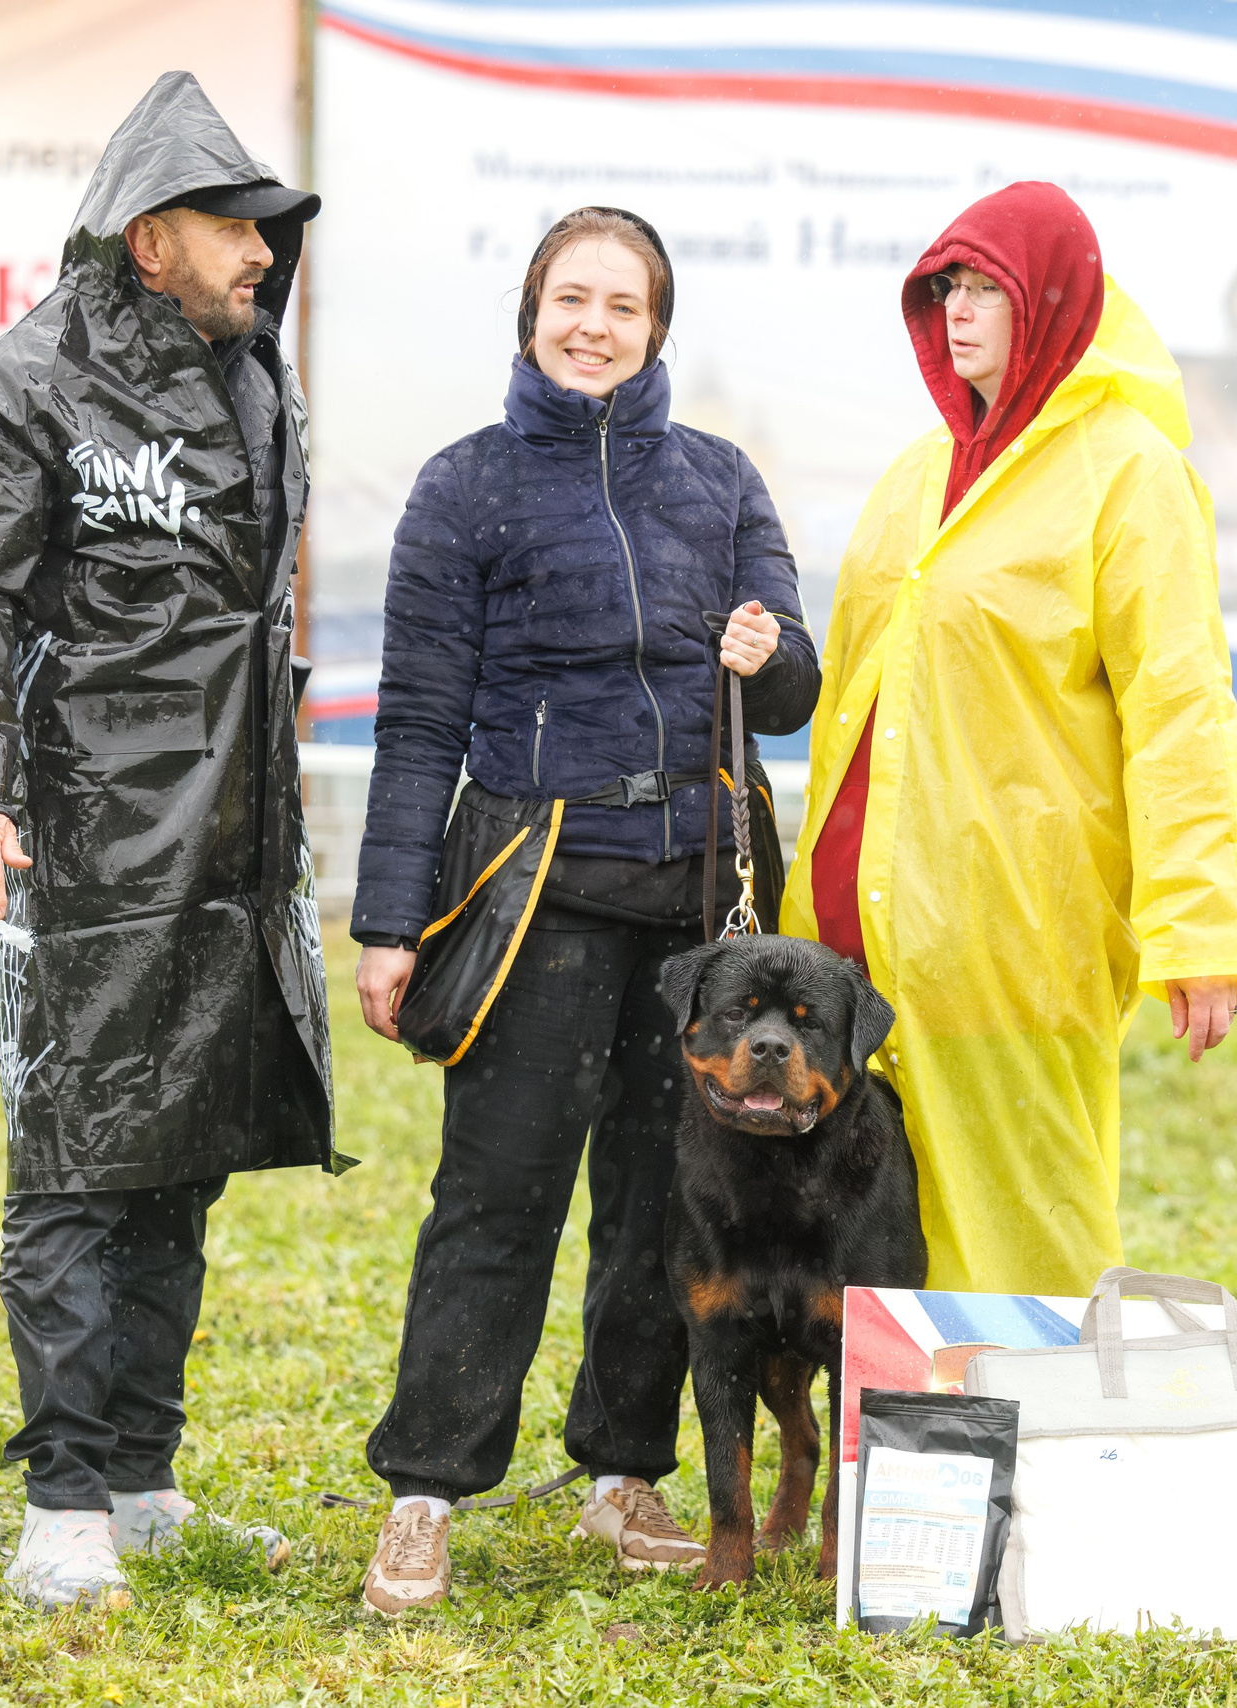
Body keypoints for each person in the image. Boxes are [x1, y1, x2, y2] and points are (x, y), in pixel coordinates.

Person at [0, 72, 335, 1611]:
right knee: (79, 1160)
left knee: (181, 1159)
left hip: (230, 843)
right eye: (237, 227)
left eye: (273, 230)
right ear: (151, 238)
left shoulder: (259, 380)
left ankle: (142, 1482)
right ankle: (64, 1503)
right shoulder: (23, 386)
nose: (264, 253)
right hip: (84, 841)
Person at [348, 207, 820, 1616]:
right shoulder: (462, 489)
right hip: (531, 894)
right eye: (571, 298)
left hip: (698, 922)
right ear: (531, 313)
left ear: (658, 327)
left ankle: (626, 1469)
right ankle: (427, 1488)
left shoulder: (725, 483)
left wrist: (770, 647)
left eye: (623, 304)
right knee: (496, 1199)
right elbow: (419, 724)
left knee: (663, 1205)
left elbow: (789, 692)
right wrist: (388, 922)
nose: (594, 324)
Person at [784, 181, 1237, 1297]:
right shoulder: (914, 473)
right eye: (946, 285)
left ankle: (1036, 1443)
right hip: (856, 942)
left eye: (987, 287)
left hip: (1014, 932)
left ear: (1050, 299)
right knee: (865, 1236)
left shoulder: (1129, 472)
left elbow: (1180, 707)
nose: (959, 309)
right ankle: (903, 1461)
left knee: (1024, 1217)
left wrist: (1199, 929)